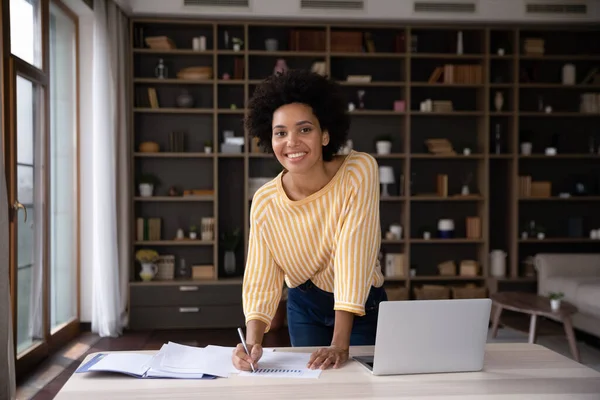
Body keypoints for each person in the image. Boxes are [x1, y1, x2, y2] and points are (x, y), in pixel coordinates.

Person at [231, 69, 387, 372]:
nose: (292, 142)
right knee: (311, 386)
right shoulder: (264, 201)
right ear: (269, 138)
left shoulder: (359, 170)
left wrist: (340, 344)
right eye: (280, 132)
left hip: (361, 306)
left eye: (304, 129)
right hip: (304, 306)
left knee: (359, 387)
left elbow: (352, 257)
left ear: (325, 134)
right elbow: (261, 276)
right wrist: (252, 344)